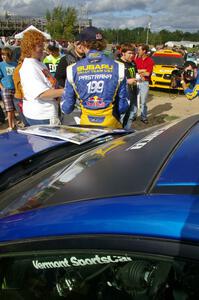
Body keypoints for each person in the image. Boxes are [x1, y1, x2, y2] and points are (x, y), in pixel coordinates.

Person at [61, 26, 129, 129]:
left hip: (86, 125)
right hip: (111, 124)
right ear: (103, 44)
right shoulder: (119, 67)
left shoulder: (71, 69)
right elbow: (122, 107)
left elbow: (66, 108)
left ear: (83, 44)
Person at [19, 30, 64, 126]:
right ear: (30, 47)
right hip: (41, 116)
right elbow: (42, 94)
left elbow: (50, 84)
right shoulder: (29, 67)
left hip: (48, 113)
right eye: (40, 45)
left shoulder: (39, 63)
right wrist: (68, 90)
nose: (43, 48)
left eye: (42, 45)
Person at [118, 43, 138, 129]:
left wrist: (138, 77)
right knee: (122, 116)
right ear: (123, 53)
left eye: (133, 53)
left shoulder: (133, 63)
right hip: (123, 95)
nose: (132, 55)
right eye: (129, 53)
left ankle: (126, 133)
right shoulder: (117, 64)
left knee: (131, 115)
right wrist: (127, 81)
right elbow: (113, 80)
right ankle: (117, 135)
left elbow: (135, 74)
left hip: (133, 93)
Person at [134, 44, 154, 124]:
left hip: (144, 83)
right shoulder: (136, 60)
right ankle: (133, 116)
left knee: (143, 101)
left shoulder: (150, 61)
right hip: (136, 82)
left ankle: (143, 117)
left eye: (139, 50)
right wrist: (142, 70)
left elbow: (148, 74)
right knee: (134, 100)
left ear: (144, 51)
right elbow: (134, 71)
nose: (138, 51)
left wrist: (139, 71)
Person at [0, 47, 17, 130]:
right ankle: (10, 126)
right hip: (6, 90)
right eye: (2, 55)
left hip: (16, 90)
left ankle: (14, 124)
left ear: (9, 55)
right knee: (9, 109)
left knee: (15, 109)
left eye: (5, 55)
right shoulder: (0, 65)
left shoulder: (15, 64)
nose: (3, 56)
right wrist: (2, 88)